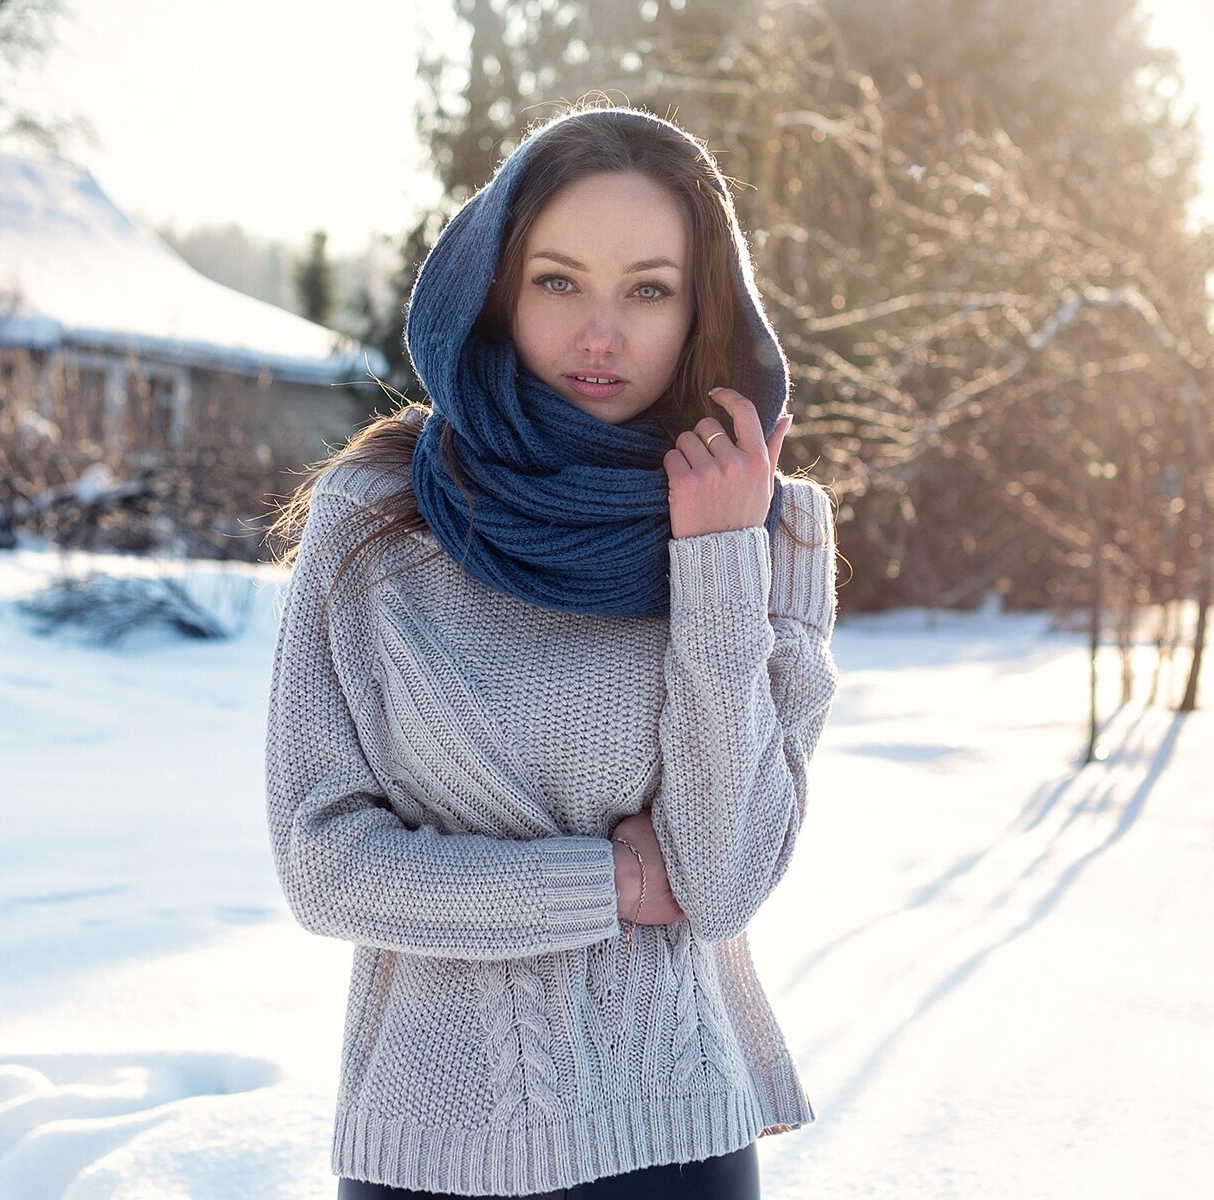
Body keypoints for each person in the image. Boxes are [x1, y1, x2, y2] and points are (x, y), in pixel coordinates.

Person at [264, 102, 840, 1199]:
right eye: (559, 280)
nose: (600, 335)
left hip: (676, 1143)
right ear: (495, 288)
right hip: (427, 1148)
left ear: (702, 304)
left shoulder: (771, 528)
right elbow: (325, 866)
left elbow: (722, 884)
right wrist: (609, 882)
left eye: (649, 289)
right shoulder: (377, 517)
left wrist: (717, 562)